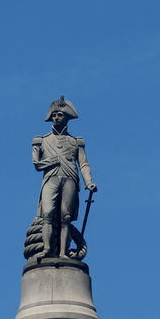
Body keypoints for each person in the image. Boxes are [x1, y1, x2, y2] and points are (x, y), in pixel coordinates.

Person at [32, 97, 97, 258]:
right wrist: (49, 161)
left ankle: (63, 252)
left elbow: (83, 164)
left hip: (69, 178)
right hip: (51, 178)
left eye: (59, 114)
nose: (56, 118)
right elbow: (36, 164)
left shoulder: (76, 142)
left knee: (65, 217)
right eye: (54, 115)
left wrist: (89, 182)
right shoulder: (42, 140)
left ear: (66, 117)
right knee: (47, 214)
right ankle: (46, 249)